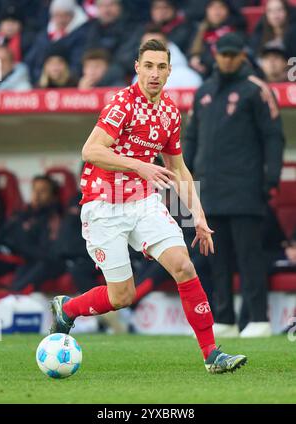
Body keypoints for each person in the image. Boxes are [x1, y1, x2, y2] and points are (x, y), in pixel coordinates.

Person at [50, 38, 247, 374]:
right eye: (149, 66)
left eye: (161, 67)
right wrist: (138, 165)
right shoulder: (121, 105)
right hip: (103, 205)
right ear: (137, 68)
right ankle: (68, 309)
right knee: (122, 297)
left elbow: (179, 168)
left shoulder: (169, 112)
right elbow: (91, 151)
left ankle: (212, 354)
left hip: (143, 202)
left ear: (170, 71)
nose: (155, 73)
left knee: (184, 265)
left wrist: (197, 215)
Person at [184, 32, 285, 338]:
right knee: (217, 259)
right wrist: (184, 179)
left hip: (245, 188)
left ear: (243, 55)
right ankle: (224, 319)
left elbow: (273, 137)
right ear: (215, 55)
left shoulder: (256, 90)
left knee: (249, 256)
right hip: (210, 190)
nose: (226, 59)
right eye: (222, 54)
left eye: (232, 54)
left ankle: (258, 319)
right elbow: (190, 139)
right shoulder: (203, 91)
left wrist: (271, 178)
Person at [0, 175, 64, 291]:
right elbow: (1, 235)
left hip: (31, 259)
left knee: (39, 264)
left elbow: (47, 252)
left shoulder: (53, 217)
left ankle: (14, 296)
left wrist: (18, 247)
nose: (36, 195)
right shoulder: (21, 213)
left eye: (42, 191)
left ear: (52, 196)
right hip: (9, 255)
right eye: (34, 190)